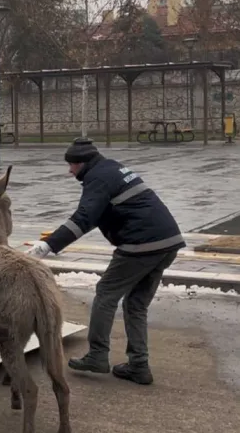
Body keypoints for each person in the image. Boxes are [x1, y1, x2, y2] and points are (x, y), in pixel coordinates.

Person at [26, 137, 185, 385]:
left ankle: (97, 355)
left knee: (105, 294)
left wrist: (47, 245)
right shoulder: (112, 168)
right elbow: (96, 214)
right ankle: (139, 366)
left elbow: (83, 218)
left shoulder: (97, 178)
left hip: (141, 243)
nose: (69, 171)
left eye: (71, 165)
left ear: (82, 163)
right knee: (136, 304)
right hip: (167, 242)